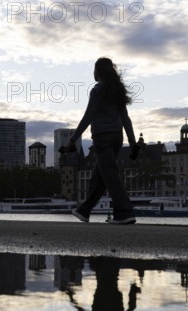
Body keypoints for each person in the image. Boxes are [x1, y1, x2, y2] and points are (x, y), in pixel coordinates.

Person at [64, 57, 139, 224]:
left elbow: (88, 116)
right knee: (100, 175)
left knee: (110, 173)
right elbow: (126, 118)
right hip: (117, 137)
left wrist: (73, 139)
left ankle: (124, 213)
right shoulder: (117, 90)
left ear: (97, 71)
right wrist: (133, 143)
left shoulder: (97, 90)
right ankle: (84, 211)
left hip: (102, 137)